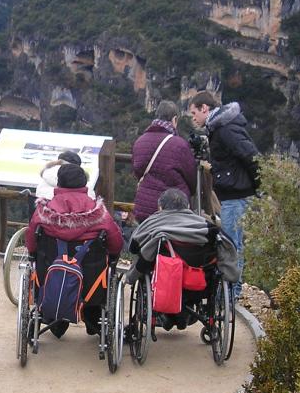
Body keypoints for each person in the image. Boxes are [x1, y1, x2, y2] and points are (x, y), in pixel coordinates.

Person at [25, 164, 124, 335]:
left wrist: (33, 254)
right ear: (84, 184)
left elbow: (31, 241)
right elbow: (116, 244)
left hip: (50, 280)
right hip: (91, 287)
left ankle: (50, 317)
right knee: (98, 276)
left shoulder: (43, 211)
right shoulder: (99, 211)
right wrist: (113, 257)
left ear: (59, 183)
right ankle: (93, 320)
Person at [127, 188, 238, 330]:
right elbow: (226, 247)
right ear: (188, 207)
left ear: (160, 207)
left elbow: (133, 248)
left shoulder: (151, 223)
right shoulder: (205, 225)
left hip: (164, 281)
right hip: (198, 282)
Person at [188, 92, 259, 300]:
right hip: (233, 192)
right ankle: (229, 293)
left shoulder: (225, 129)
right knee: (232, 243)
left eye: (194, 113)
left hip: (235, 194)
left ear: (205, 109)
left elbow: (250, 154)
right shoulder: (219, 127)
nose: (193, 118)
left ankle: (231, 294)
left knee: (231, 245)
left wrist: (258, 185)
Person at [132, 100, 196, 222]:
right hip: (173, 210)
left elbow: (137, 171)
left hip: (145, 209)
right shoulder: (180, 145)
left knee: (147, 240)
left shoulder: (139, 141)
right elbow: (191, 178)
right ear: (174, 119)